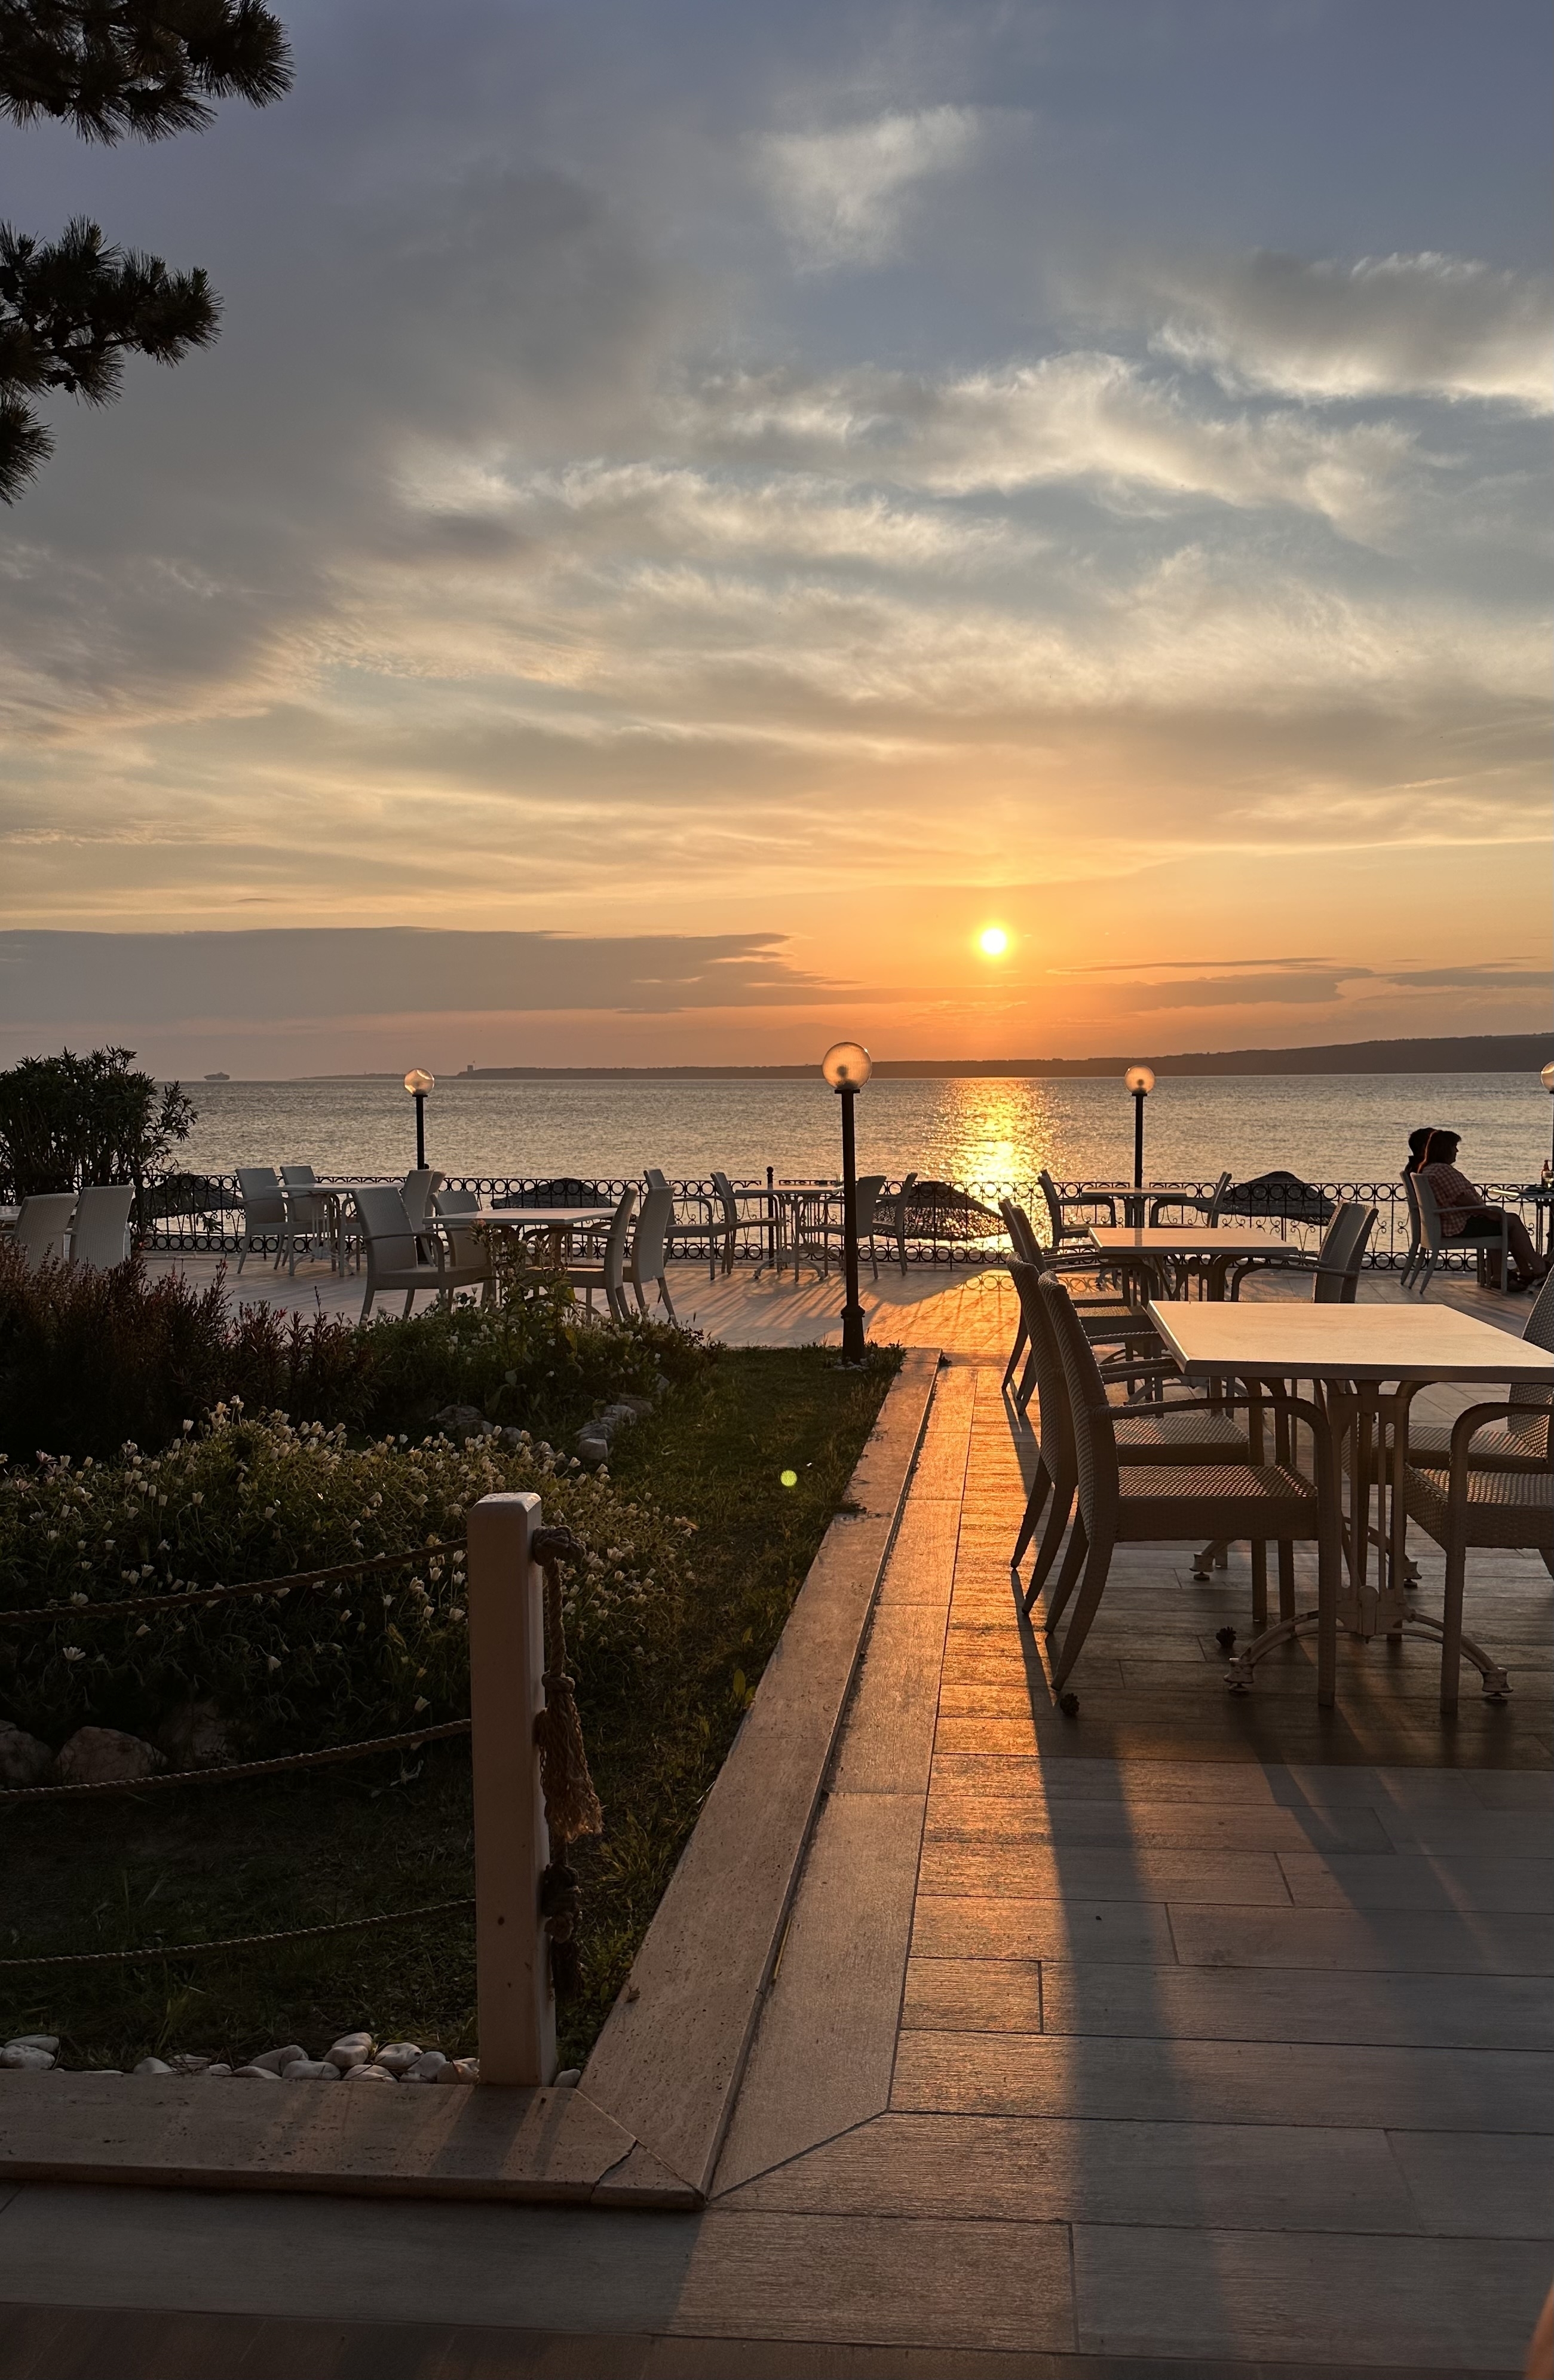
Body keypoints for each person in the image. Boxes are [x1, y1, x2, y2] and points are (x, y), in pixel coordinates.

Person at [1405, 1128, 1548, 1291]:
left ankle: (1520, 1273)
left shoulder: (1428, 1169)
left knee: (1507, 1222)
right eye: (1454, 1147)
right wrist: (1488, 1213)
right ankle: (1538, 1268)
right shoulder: (1441, 1169)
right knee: (1511, 1221)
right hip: (1458, 1225)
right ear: (1445, 1149)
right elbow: (1461, 1199)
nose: (1457, 1151)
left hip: (1447, 1222)